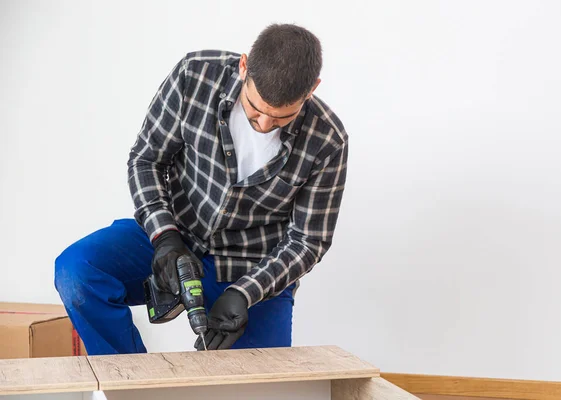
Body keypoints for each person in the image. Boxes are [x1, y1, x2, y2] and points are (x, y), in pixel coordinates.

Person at [54, 23, 349, 355]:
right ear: (243, 66)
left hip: (253, 267)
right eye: (256, 109)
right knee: (78, 271)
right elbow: (146, 159)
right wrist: (164, 237)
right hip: (175, 236)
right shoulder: (193, 77)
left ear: (312, 90)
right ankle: (129, 384)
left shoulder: (328, 140)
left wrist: (246, 292)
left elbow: (308, 241)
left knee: (265, 382)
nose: (265, 125)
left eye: (281, 119)